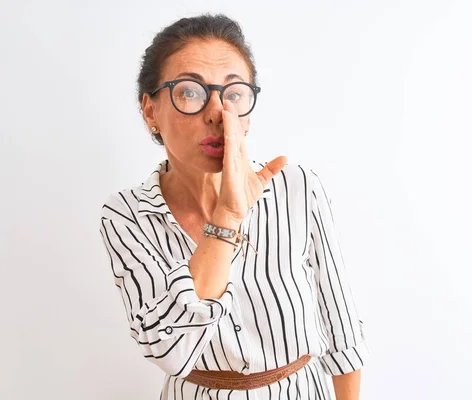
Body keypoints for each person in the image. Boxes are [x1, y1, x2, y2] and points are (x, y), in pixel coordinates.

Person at [99, 13, 368, 400]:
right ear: (150, 110)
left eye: (234, 93)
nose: (217, 113)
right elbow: (168, 350)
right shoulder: (127, 215)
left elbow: (340, 324)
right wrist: (227, 217)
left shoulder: (297, 187)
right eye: (190, 91)